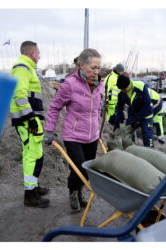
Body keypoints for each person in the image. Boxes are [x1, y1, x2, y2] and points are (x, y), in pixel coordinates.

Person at [44, 48, 104, 212]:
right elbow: (55, 107)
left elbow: (98, 109)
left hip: (92, 136)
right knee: (78, 168)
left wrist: (98, 129)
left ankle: (80, 192)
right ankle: (72, 191)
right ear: (81, 65)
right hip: (74, 135)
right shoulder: (70, 84)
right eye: (93, 67)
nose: (96, 71)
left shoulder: (100, 85)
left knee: (87, 170)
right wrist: (49, 130)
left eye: (98, 68)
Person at [10, 41, 49, 208]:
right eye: (38, 53)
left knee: (35, 155)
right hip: (27, 121)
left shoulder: (26, 67)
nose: (39, 56)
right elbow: (19, 95)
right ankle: (30, 195)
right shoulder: (22, 67)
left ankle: (34, 187)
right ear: (32, 53)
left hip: (30, 119)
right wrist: (30, 118)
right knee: (32, 156)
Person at [115, 74, 154, 148]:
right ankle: (131, 148)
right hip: (133, 112)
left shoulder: (141, 86)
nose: (123, 90)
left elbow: (147, 104)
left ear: (129, 83)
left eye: (124, 88)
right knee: (128, 132)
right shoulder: (121, 92)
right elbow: (120, 106)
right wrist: (117, 120)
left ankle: (150, 150)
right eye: (121, 89)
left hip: (146, 113)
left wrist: (139, 119)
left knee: (147, 134)